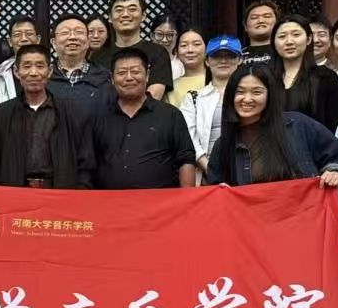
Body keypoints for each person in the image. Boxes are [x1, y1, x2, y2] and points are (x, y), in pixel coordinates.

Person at [208, 66, 338, 188]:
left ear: (270, 95)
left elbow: (336, 155)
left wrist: (334, 172)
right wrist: (221, 192)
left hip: (300, 210)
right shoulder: (223, 145)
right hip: (251, 212)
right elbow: (215, 187)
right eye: (240, 92)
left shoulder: (298, 124)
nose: (247, 99)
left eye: (257, 92)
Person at [0, 44, 91, 189]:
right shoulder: (3, 113)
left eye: (40, 66)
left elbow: (85, 161)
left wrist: (80, 190)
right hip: (15, 192)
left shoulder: (70, 112)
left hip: (60, 192)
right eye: (27, 66)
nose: (33, 73)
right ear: (16, 72)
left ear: (50, 71)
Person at [88, 48, 196, 189]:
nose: (129, 78)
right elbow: (87, 164)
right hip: (109, 200)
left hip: (161, 201)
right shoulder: (98, 117)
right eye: (121, 73)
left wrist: (187, 198)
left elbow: (186, 160)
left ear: (147, 75)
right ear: (112, 79)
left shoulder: (170, 115)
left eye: (135, 71)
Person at [269, 14, 338, 134]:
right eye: (282, 36)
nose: (289, 41)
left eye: (296, 35)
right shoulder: (265, 78)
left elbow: (335, 125)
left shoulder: (326, 78)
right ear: (274, 42)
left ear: (309, 39)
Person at [180, 36, 241, 184]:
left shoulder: (248, 96)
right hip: (205, 174)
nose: (223, 61)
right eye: (216, 56)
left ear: (240, 60)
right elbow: (188, 137)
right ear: (207, 61)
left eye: (230, 56)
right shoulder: (193, 98)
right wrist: (210, 169)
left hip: (243, 168)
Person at [91, 0, 173, 100]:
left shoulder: (158, 52)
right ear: (110, 17)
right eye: (119, 10)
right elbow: (94, 94)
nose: (125, 14)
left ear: (143, 16)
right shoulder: (98, 56)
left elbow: (155, 94)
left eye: (132, 9)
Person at [47, 14, 112, 127]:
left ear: (88, 41)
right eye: (65, 32)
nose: (72, 37)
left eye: (79, 32)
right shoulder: (43, 77)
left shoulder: (105, 77)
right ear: (53, 43)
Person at [0, 14, 40, 115]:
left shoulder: (50, 73)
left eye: (29, 34)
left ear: (38, 39)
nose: (24, 39)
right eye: (17, 35)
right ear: (10, 41)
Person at [166, 28, 208, 108]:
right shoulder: (170, 87)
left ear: (207, 49)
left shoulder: (216, 80)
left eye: (197, 44)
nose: (190, 50)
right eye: (184, 45)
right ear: (176, 52)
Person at [240, 0, 280, 67]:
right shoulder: (237, 55)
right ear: (245, 26)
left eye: (267, 16)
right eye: (254, 17)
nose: (261, 21)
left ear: (278, 23)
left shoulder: (285, 52)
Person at [149, 12, 185, 81]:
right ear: (152, 36)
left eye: (170, 35)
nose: (164, 40)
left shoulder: (183, 63)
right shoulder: (142, 60)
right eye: (159, 34)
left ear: (178, 37)